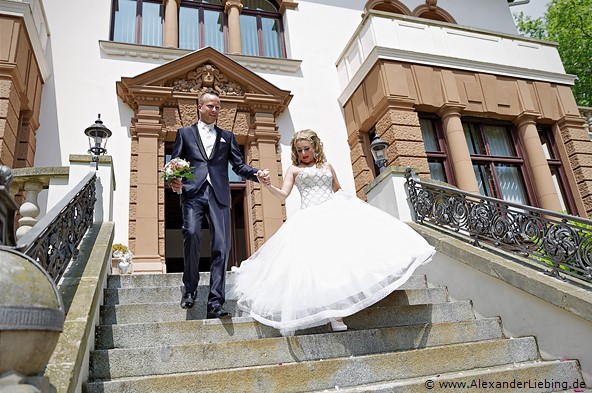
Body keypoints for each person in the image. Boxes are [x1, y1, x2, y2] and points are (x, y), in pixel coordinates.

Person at [228, 129, 436, 336]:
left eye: (307, 149)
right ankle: (335, 316)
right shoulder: (293, 170)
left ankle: (349, 303)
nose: (303, 153)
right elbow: (283, 195)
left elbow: (338, 189)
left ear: (316, 147)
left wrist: (352, 210)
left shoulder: (327, 166)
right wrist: (268, 185)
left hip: (332, 214)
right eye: (299, 150)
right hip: (308, 218)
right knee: (321, 264)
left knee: (343, 260)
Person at [170, 88, 269, 318]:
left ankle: (215, 302)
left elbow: (238, 166)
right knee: (192, 233)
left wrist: (256, 174)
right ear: (200, 107)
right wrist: (175, 181)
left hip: (220, 195)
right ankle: (190, 290)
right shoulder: (184, 133)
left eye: (217, 107)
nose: (215, 110)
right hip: (193, 193)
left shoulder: (228, 136)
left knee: (221, 246)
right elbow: (174, 163)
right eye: (210, 106)